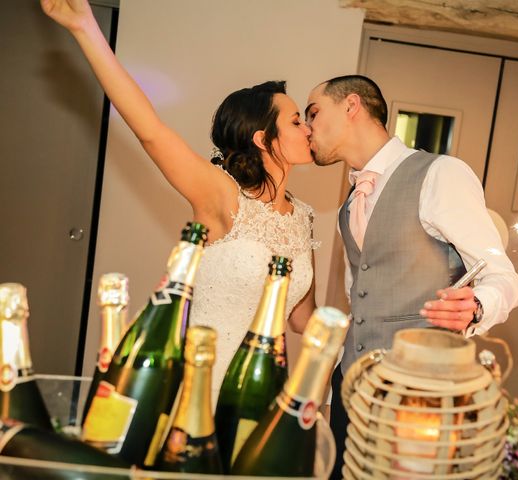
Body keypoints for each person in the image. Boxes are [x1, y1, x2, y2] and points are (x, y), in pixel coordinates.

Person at [41, 0, 317, 400]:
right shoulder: (221, 193)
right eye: (295, 121)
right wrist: (86, 28)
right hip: (193, 384)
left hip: (258, 394)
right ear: (262, 138)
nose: (307, 129)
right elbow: (150, 130)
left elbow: (301, 320)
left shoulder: (304, 217)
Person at [305, 75, 518, 478]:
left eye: (314, 112)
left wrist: (476, 306)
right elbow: (363, 300)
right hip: (353, 392)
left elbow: (503, 276)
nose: (307, 127)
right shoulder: (348, 206)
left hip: (420, 401)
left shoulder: (440, 174)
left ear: (352, 105)